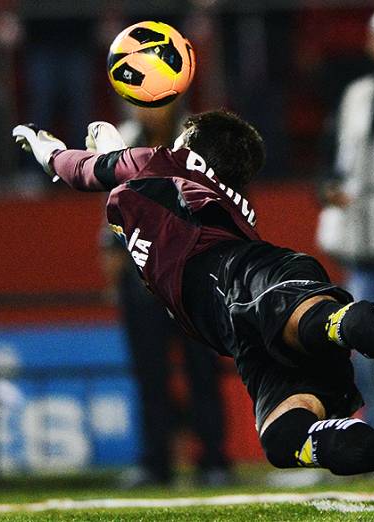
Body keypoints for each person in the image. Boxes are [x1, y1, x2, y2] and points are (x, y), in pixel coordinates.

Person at [13, 111, 374, 503]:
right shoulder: (189, 183)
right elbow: (129, 181)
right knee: (283, 439)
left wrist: (47, 151)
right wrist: (115, 149)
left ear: (192, 147)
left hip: (237, 274)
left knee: (308, 320)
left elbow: (82, 171)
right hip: (237, 326)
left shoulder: (164, 162)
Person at [101, 104, 233, 488]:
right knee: (150, 377)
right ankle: (155, 463)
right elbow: (110, 211)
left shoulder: (200, 142)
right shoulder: (121, 140)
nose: (146, 112)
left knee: (202, 373)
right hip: (141, 279)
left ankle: (213, 460)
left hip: (193, 277)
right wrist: (112, 264)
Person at [316, 10, 374, 433]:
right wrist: (327, 186)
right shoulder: (358, 94)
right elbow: (331, 155)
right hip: (361, 238)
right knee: (366, 348)